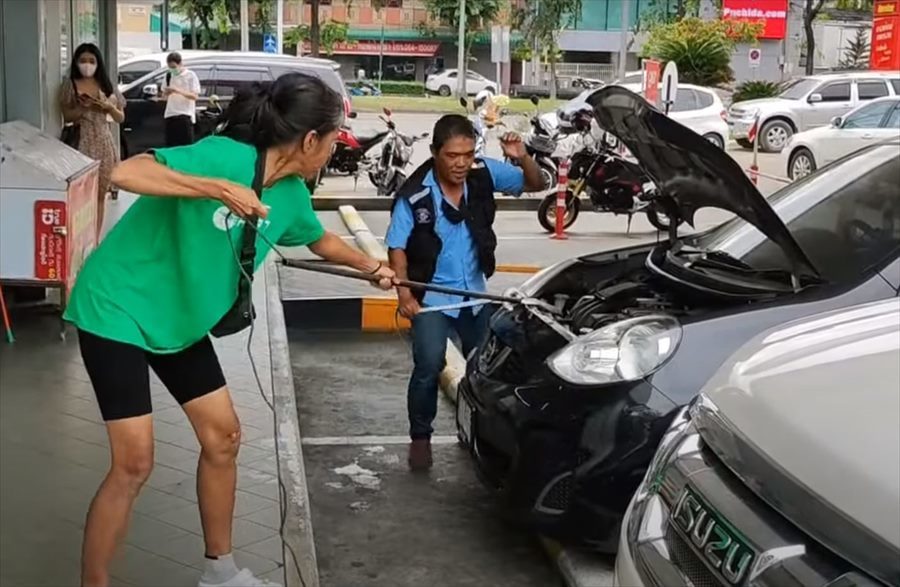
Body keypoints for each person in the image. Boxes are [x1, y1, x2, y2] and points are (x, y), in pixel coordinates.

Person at [64, 73, 395, 587]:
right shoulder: (224, 156)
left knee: (224, 436)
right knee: (134, 462)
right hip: (119, 307)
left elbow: (319, 242)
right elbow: (126, 174)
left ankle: (219, 571)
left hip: (181, 319)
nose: (334, 150)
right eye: (333, 139)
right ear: (311, 140)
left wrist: (370, 268)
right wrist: (216, 188)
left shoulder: (290, 195)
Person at [385, 114, 545, 471]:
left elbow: (535, 184)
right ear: (434, 153)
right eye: (452, 155)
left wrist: (521, 156)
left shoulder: (483, 172)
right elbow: (396, 248)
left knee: (488, 368)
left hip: (475, 294)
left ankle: (478, 430)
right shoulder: (414, 196)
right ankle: (421, 437)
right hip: (431, 297)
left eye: (467, 155)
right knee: (429, 365)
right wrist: (405, 297)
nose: (460, 164)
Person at [60, 43, 126, 238]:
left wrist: (107, 107)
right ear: (75, 62)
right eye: (82, 61)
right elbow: (67, 115)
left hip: (104, 141)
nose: (87, 65)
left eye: (91, 61)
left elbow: (120, 117)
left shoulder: (107, 85)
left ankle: (95, 239)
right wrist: (85, 108)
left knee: (99, 194)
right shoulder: (70, 84)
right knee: (79, 194)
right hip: (81, 142)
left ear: (98, 63)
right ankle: (78, 238)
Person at [161, 51, 201, 146]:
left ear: (180, 64)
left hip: (185, 115)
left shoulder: (190, 76)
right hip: (170, 114)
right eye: (170, 67)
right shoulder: (168, 75)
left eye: (174, 67)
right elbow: (163, 95)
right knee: (171, 145)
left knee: (185, 146)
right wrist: (166, 93)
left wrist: (177, 90)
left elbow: (194, 96)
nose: (172, 69)